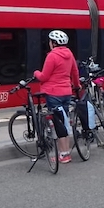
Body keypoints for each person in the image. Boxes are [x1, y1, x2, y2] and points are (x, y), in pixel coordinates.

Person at [33, 30, 79, 164]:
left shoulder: (52, 56)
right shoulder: (69, 54)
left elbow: (44, 76)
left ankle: (64, 155)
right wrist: (77, 86)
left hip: (53, 93)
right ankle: (66, 152)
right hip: (66, 92)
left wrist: (36, 73)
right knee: (64, 121)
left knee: (57, 124)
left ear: (53, 43)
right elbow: (75, 73)